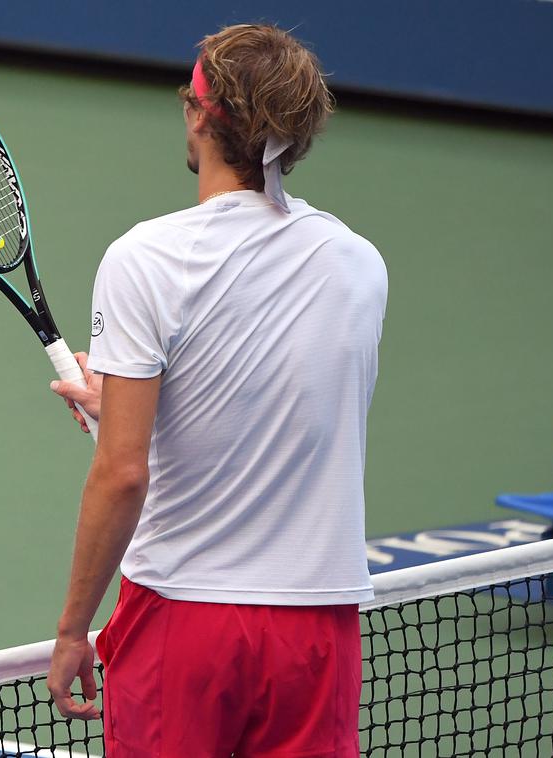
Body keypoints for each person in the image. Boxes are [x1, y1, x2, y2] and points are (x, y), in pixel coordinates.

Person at [45, 24, 388, 757]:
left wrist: (75, 627)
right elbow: (290, 407)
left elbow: (123, 471)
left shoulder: (145, 258)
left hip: (182, 617)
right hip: (317, 628)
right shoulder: (360, 264)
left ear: (200, 113)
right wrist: (134, 403)